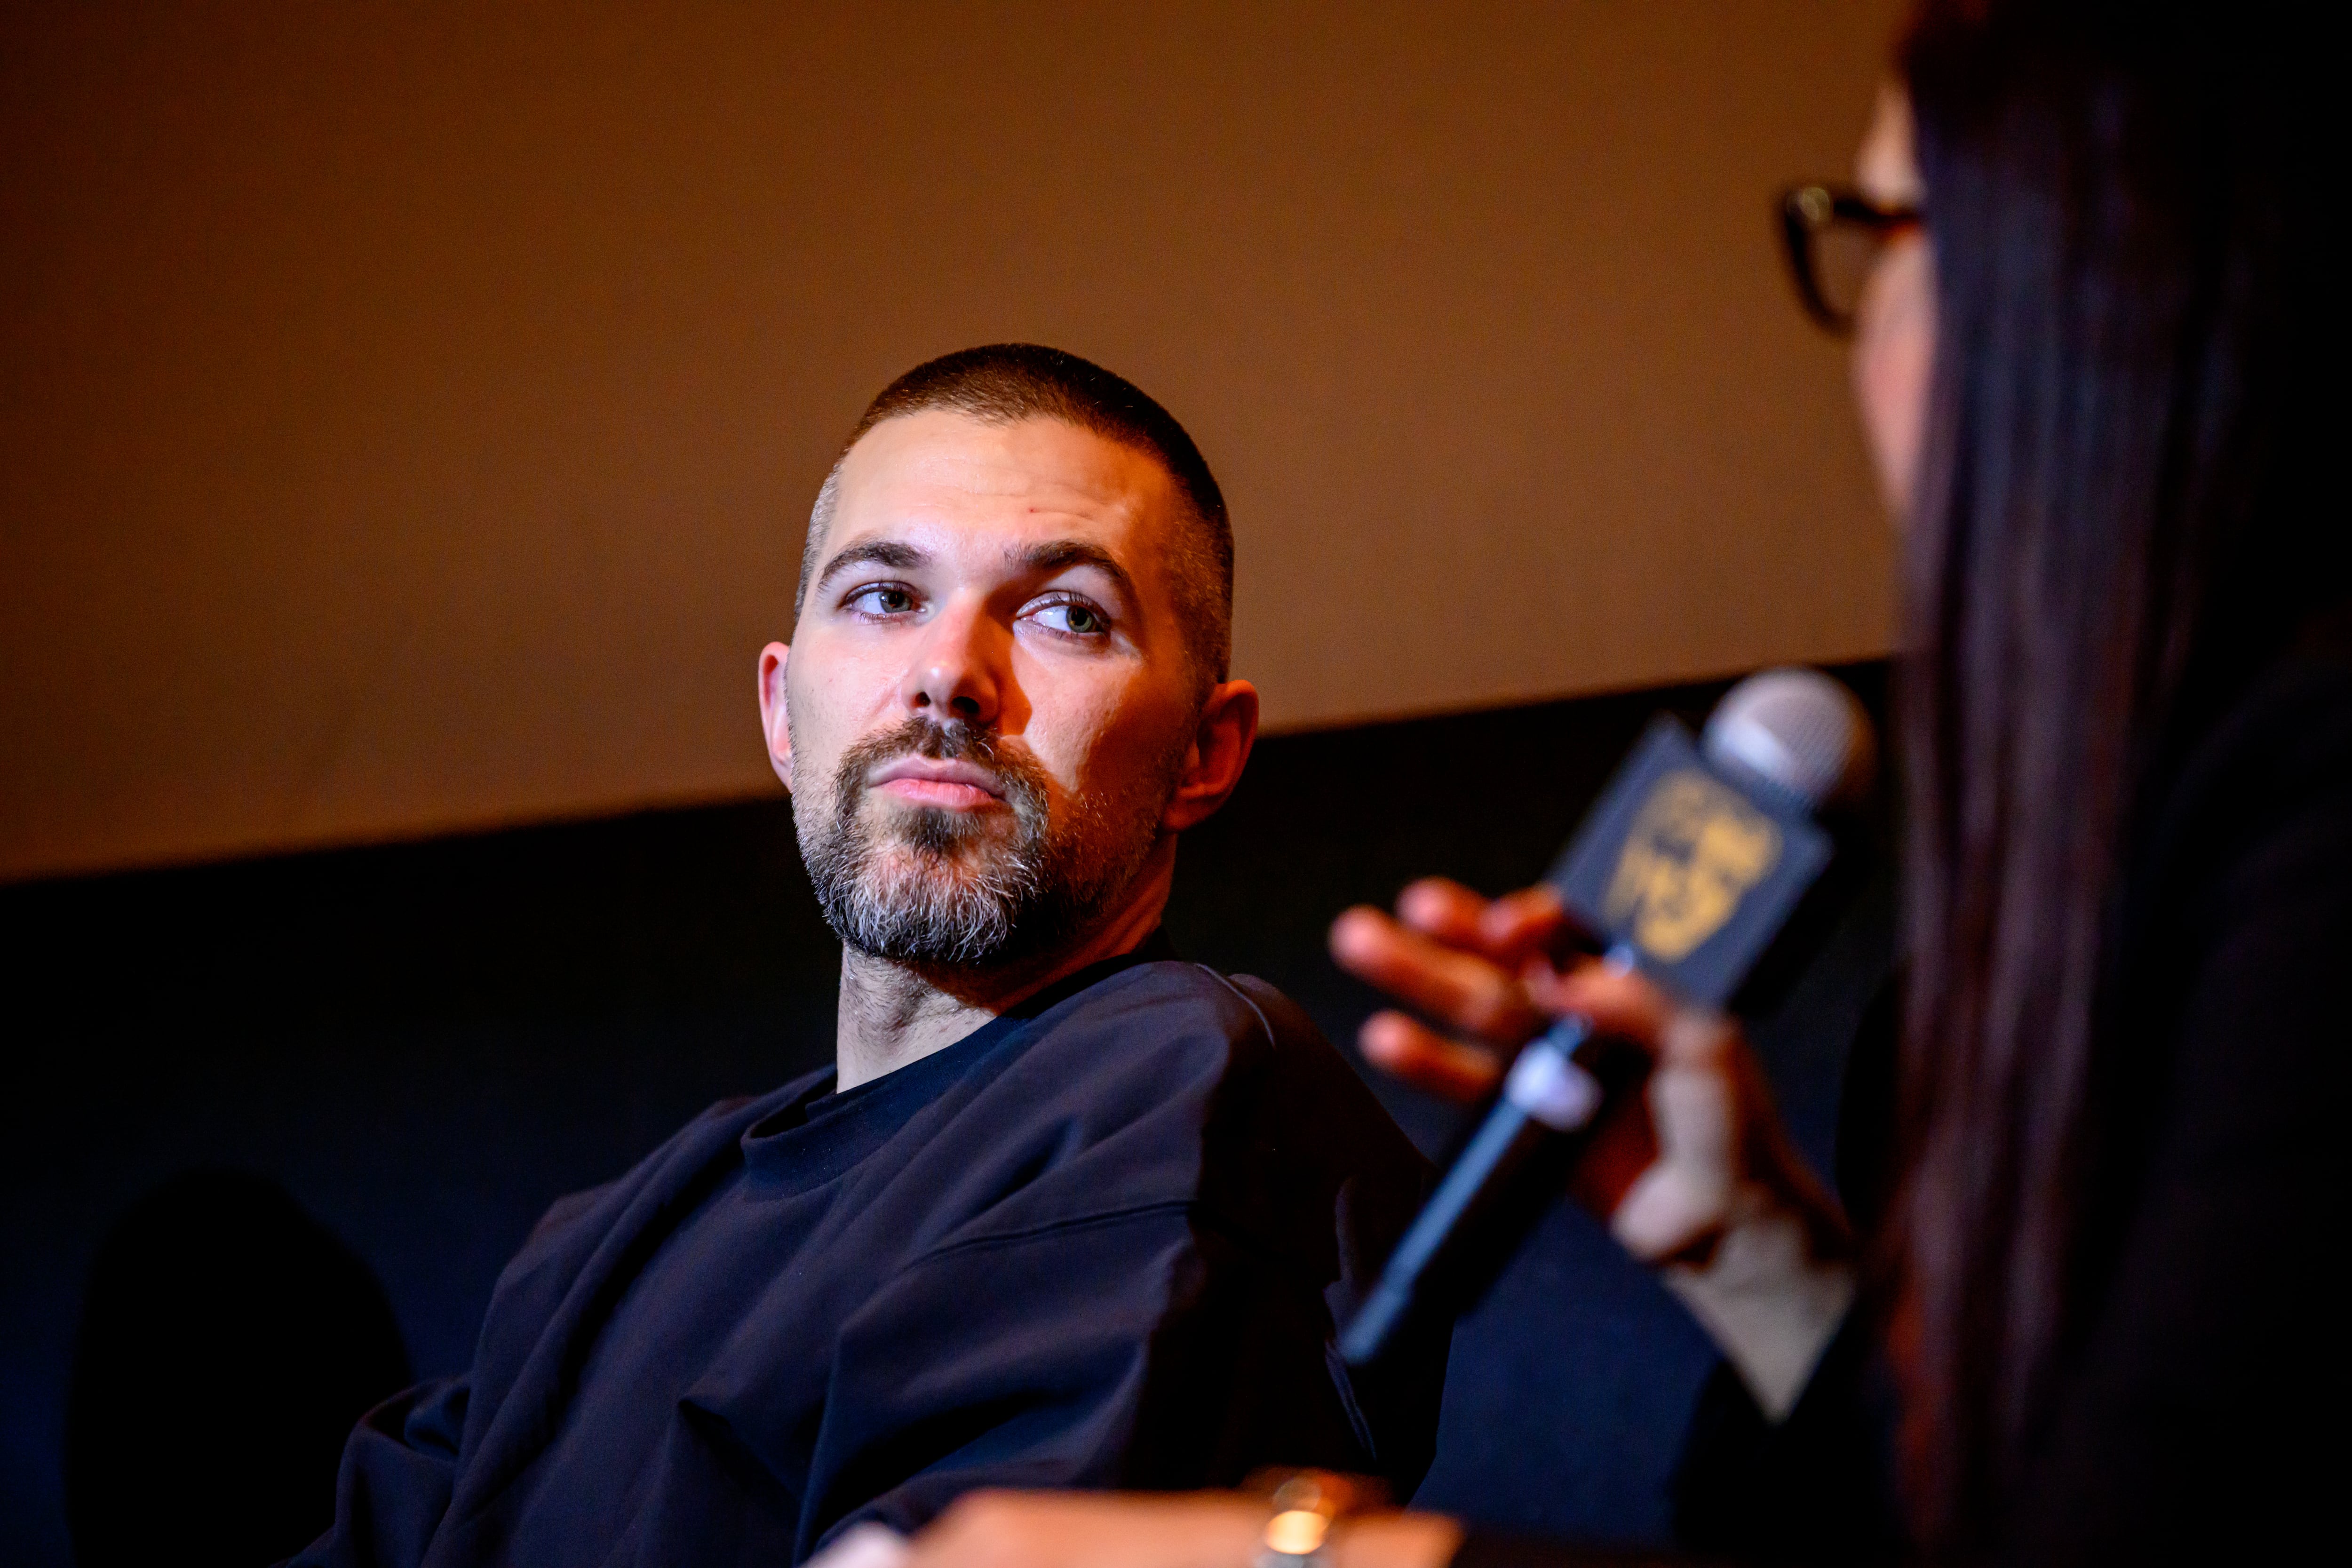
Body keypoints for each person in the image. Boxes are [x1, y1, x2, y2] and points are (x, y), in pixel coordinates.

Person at [890, 2, 2347, 1562]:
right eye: (882, 594)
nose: (943, 675)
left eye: (1883, 226)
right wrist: (1761, 1256)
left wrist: (1310, 1557)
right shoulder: (1948, 1026)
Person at [291, 345, 1445, 1568]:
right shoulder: (614, 1235)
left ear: (1207, 754)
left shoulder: (1184, 1089)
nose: (950, 672)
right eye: (887, 597)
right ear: (784, 712)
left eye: (1066, 613)